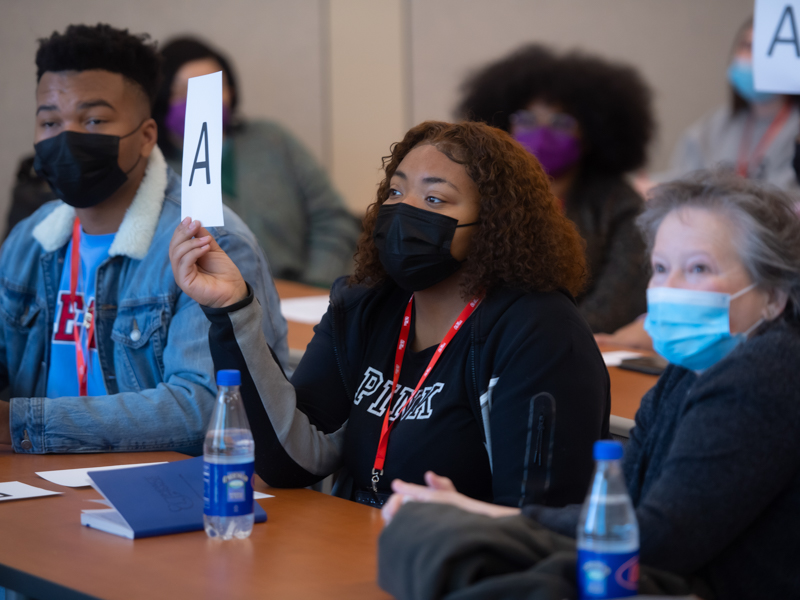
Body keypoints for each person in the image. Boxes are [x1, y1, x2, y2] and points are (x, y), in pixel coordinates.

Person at [379, 170, 800, 600]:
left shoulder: (768, 371)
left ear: (775, 294)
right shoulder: (686, 370)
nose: (668, 288)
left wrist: (482, 515)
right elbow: (624, 511)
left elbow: (657, 541)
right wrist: (477, 516)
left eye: (698, 268)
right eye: (660, 267)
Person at [170, 120, 611, 508]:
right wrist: (233, 307)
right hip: (355, 555)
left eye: (436, 200)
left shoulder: (540, 334)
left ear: (496, 225)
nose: (405, 211)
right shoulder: (367, 305)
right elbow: (293, 459)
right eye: (396, 192)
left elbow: (538, 523)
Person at [0, 24, 288, 454]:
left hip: (166, 493)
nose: (67, 137)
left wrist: (21, 424)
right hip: (41, 488)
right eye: (50, 121)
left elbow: (204, 409)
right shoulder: (29, 241)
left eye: (94, 119)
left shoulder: (208, 242)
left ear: (147, 135)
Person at [457, 45, 653, 334]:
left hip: (574, 346)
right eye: (526, 119)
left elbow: (616, 304)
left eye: (561, 122)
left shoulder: (620, 205)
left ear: (591, 133)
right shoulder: (480, 193)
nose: (542, 132)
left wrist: (548, 344)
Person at [153, 37, 359, 288]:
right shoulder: (155, 171)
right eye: (183, 91)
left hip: (301, 294)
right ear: (161, 97)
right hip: (214, 307)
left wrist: (315, 284)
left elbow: (333, 219)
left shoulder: (271, 140)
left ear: (231, 91)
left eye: (212, 87)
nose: (200, 100)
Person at [645, 19, 800, 193]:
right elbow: (683, 177)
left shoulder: (795, 130)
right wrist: (648, 187)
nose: (752, 58)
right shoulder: (717, 124)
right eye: (746, 46)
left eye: (762, 50)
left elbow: (788, 196)